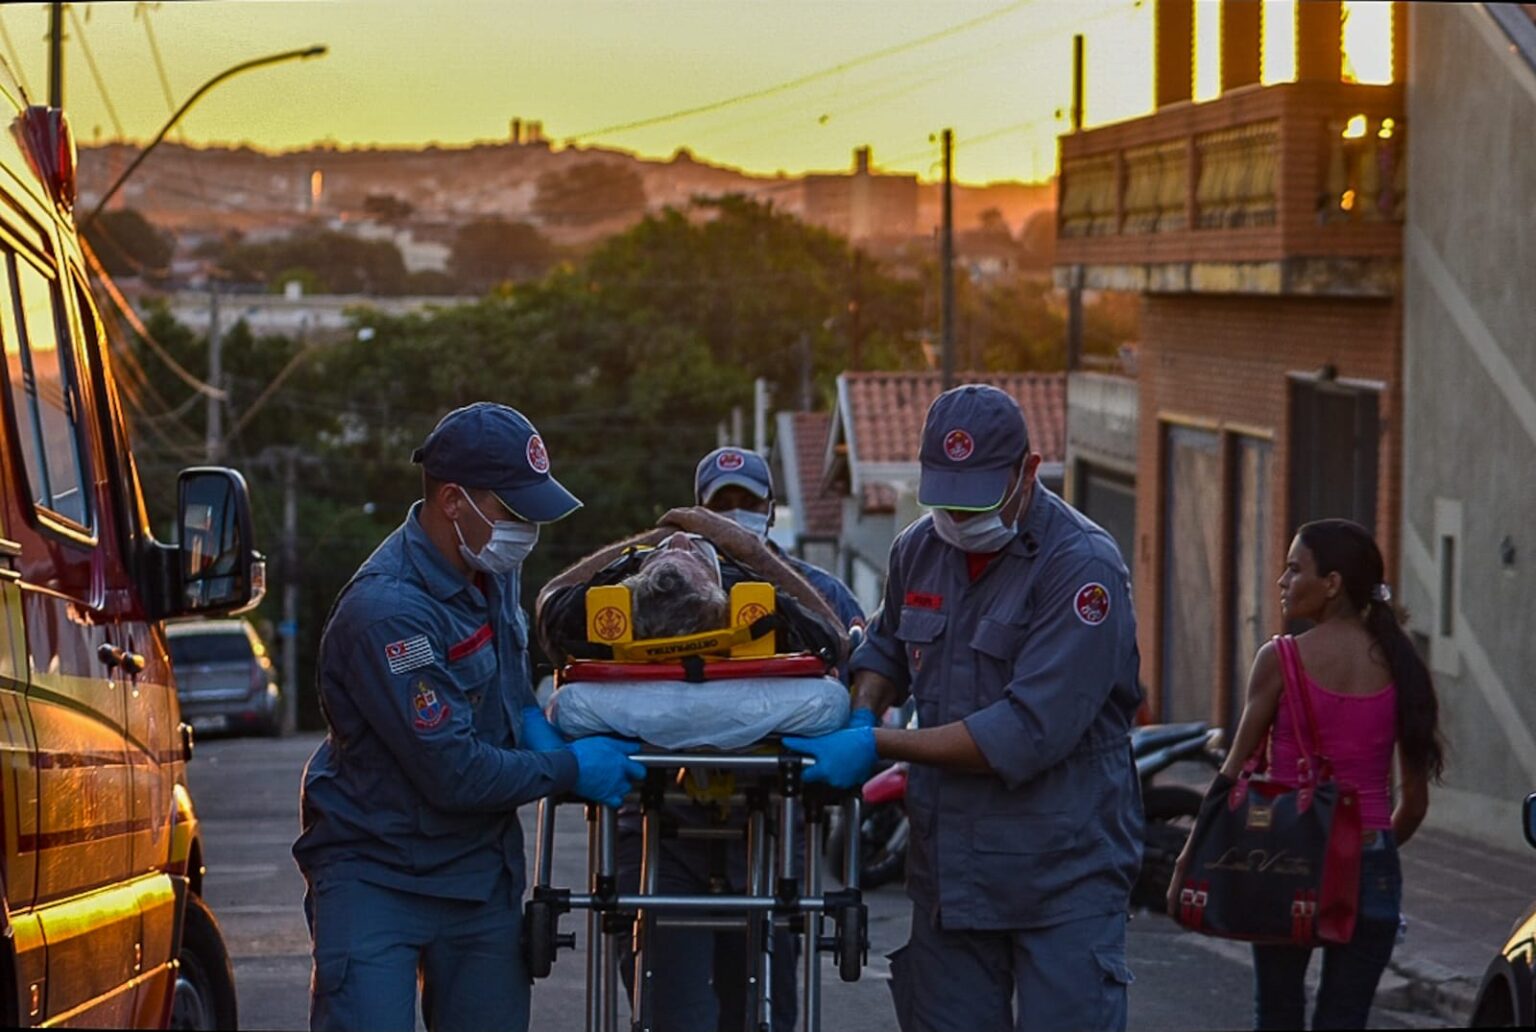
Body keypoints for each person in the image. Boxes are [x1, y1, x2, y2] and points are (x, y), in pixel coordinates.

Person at [782, 383, 1144, 1032]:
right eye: (945, 497)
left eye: (976, 499)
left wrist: (876, 745)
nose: (957, 517)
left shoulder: (1082, 568)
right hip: (951, 870)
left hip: (1061, 872)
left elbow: (1027, 731)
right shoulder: (919, 549)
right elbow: (886, 651)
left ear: (1028, 472)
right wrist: (863, 710)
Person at [293, 402, 645, 1032]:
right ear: (453, 501)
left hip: (478, 873)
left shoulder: (487, 568)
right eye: (513, 512)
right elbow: (453, 773)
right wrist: (568, 767)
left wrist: (536, 726)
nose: (526, 531)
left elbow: (509, 688)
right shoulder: (387, 612)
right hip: (377, 873)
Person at [535, 506, 848, 1032]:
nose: (680, 546)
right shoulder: (752, 603)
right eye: (667, 555)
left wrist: (677, 544)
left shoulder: (766, 594)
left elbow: (836, 643)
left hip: (759, 833)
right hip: (663, 834)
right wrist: (700, 545)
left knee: (760, 1010)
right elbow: (835, 638)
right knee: (673, 1011)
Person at [1167, 518, 1445, 1030]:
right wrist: (1361, 850)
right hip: (1372, 865)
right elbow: (1414, 806)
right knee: (1346, 1018)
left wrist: (1189, 858)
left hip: (1284, 859)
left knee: (1277, 1013)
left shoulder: (1281, 660)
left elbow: (1231, 775)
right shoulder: (1402, 666)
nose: (1283, 580)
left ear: (1332, 583)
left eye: (1295, 569)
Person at [695, 445, 865, 633]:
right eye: (721, 505)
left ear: (772, 512)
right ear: (698, 515)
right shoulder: (685, 592)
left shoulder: (827, 592)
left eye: (750, 503)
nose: (735, 515)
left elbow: (858, 649)